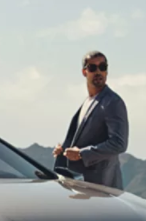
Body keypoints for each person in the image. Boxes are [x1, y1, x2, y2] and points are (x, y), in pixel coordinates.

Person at [52, 50, 128, 189]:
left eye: (102, 67)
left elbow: (119, 143)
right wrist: (64, 150)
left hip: (103, 187)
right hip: (82, 185)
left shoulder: (113, 102)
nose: (98, 71)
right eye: (92, 67)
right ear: (84, 72)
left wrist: (82, 154)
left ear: (107, 71)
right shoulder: (88, 102)